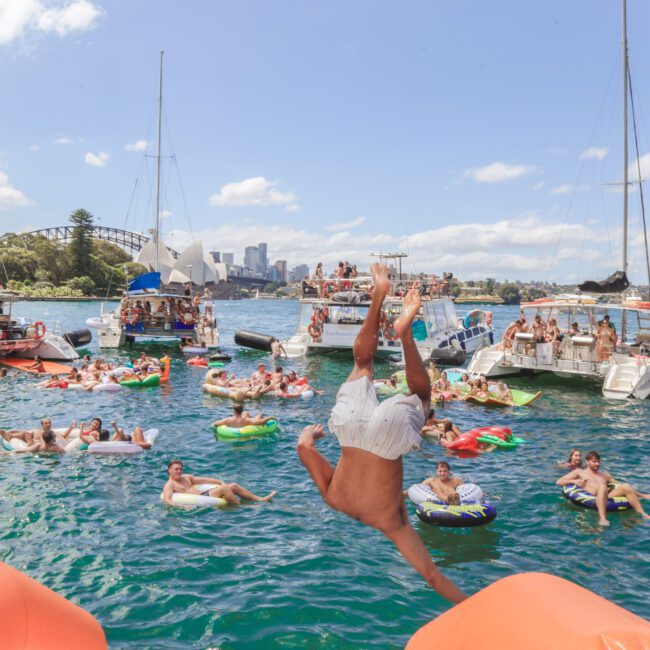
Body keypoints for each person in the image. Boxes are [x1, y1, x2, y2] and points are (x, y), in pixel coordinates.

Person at [296, 264, 466, 603]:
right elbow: (302, 448)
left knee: (422, 398)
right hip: (349, 433)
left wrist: (473, 610)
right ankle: (377, 298)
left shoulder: (392, 523)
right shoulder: (334, 498)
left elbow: (433, 577)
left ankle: (404, 333)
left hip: (386, 442)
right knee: (361, 365)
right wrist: (310, 435)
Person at [557, 451, 650, 525]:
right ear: (587, 462)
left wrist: (641, 495)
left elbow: (619, 486)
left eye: (598, 461)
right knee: (602, 486)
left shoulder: (605, 475)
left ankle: (643, 513)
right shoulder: (580, 472)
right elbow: (559, 481)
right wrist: (574, 481)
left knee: (626, 486)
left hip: (606, 496)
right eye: (594, 462)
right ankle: (603, 518)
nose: (597, 464)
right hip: (592, 498)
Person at [162, 460, 276, 506]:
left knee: (233, 485)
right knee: (226, 489)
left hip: (205, 494)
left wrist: (220, 482)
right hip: (200, 499)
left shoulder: (187, 477)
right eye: (176, 469)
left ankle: (259, 499)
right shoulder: (170, 485)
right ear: (169, 471)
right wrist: (181, 506)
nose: (179, 471)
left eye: (180, 469)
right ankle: (240, 507)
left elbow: (205, 480)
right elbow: (167, 499)